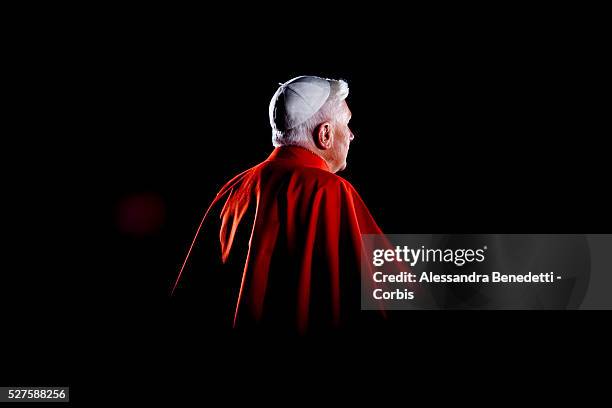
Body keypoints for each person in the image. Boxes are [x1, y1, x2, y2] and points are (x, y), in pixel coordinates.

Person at [171, 75, 385, 332]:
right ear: (325, 134)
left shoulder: (234, 189)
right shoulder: (330, 190)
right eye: (347, 124)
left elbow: (192, 296)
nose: (351, 135)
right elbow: (387, 287)